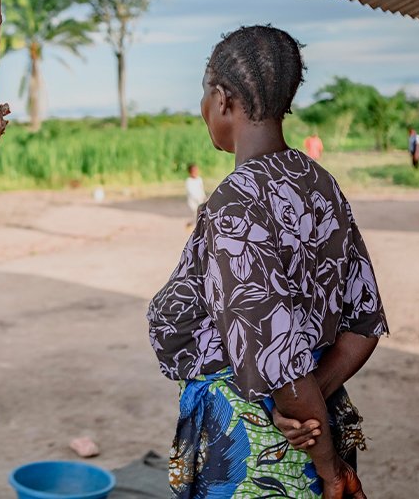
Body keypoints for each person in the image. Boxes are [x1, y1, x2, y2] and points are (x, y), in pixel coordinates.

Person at [147, 26, 388, 498]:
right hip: (310, 418)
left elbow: (278, 362)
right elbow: (363, 324)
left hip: (259, 454)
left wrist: (329, 468)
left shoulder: (235, 204)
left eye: (204, 93)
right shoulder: (320, 184)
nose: (203, 107)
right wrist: (314, 397)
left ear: (222, 99)